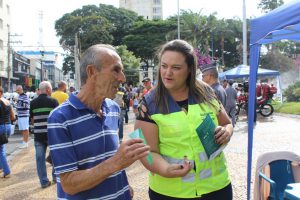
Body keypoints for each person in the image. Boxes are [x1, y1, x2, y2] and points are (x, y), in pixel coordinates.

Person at [47, 44, 149, 199]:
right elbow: (68, 184)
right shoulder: (60, 118)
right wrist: (115, 163)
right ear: (91, 71)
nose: (122, 78)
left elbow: (106, 158)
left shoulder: (113, 109)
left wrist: (123, 186)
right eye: (116, 70)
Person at [135, 39, 233, 199]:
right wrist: (164, 169)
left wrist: (226, 132)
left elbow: (227, 123)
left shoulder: (206, 92)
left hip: (217, 187)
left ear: (189, 69)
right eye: (164, 66)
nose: (167, 73)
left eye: (176, 68)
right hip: (170, 192)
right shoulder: (149, 103)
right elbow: (146, 151)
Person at [30, 81, 59, 188]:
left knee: (39, 158)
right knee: (56, 155)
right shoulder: (53, 101)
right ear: (47, 89)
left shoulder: (33, 103)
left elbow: (32, 120)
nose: (51, 91)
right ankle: (55, 177)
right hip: (52, 134)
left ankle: (44, 182)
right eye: (51, 89)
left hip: (38, 135)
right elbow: (57, 118)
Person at [0, 87, 16, 178]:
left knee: (0, 149)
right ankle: (1, 166)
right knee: (2, 147)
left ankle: (6, 170)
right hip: (8, 126)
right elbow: (13, 117)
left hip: (1, 127)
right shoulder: (7, 102)